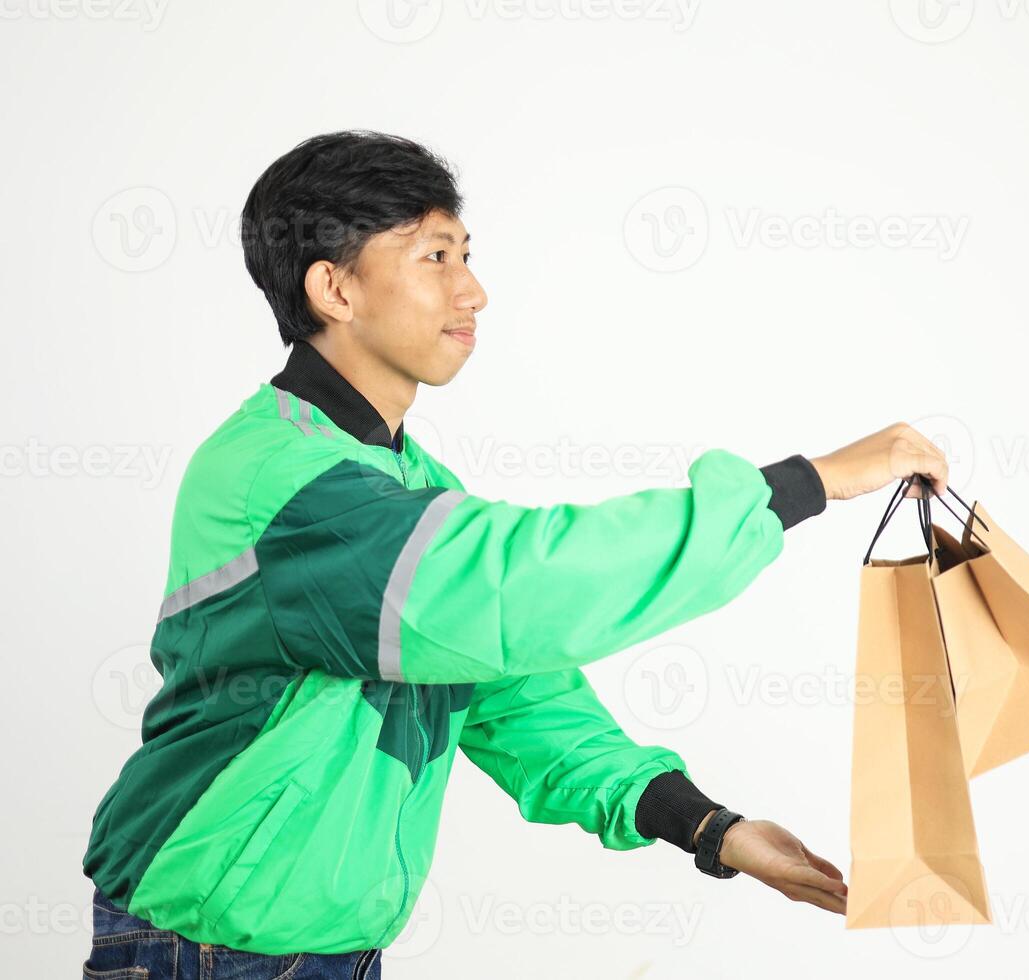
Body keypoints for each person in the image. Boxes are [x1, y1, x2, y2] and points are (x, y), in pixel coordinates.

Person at [81, 130, 951, 978]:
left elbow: (516, 694)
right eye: (436, 257)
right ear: (335, 289)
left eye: (467, 254)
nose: (475, 291)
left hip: (322, 952)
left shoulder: (400, 480)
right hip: (204, 951)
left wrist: (706, 825)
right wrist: (809, 483)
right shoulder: (286, 482)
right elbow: (519, 586)